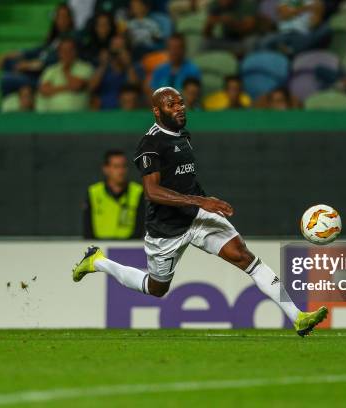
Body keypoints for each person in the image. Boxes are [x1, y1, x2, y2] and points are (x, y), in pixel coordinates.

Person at [72, 87, 328, 337]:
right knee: (156, 288)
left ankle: (298, 317)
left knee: (245, 257)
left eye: (181, 102)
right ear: (157, 111)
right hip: (167, 228)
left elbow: (186, 180)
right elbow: (151, 191)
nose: (179, 108)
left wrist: (203, 203)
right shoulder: (150, 144)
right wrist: (200, 201)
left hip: (197, 216)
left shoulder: (184, 136)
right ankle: (98, 262)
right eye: (171, 104)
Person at [0, 3, 77, 96]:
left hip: (45, 78)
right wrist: (7, 55)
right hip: (35, 71)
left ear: (70, 19)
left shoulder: (71, 39)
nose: (61, 20)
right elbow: (36, 51)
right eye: (58, 16)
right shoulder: (54, 39)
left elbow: (52, 62)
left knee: (6, 79)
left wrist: (28, 65)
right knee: (8, 62)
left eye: (64, 16)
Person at [83, 150, 145, 240]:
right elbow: (87, 228)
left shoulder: (137, 191)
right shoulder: (94, 192)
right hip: (100, 249)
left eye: (123, 166)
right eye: (116, 167)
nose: (121, 171)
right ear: (106, 169)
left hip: (129, 249)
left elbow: (140, 226)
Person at [38, 38, 94, 112]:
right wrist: (67, 87)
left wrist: (65, 71)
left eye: (70, 50)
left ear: (75, 51)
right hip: (52, 116)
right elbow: (44, 90)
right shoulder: (51, 70)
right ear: (59, 52)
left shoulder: (86, 68)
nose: (66, 53)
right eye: (63, 50)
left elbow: (77, 86)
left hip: (78, 116)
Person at [88, 34, 140, 110]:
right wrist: (103, 65)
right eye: (115, 46)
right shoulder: (102, 67)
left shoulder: (134, 66)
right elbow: (91, 87)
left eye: (121, 46)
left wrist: (128, 65)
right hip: (104, 107)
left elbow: (135, 86)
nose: (117, 50)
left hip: (126, 108)